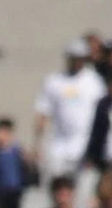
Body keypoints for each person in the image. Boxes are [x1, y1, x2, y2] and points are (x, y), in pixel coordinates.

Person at [35, 45, 107, 183]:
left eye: (80, 58)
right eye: (74, 58)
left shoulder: (94, 81)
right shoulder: (54, 81)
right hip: (58, 145)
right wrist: (38, 145)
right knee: (55, 182)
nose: (77, 62)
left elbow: (103, 114)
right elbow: (43, 112)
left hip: (84, 145)